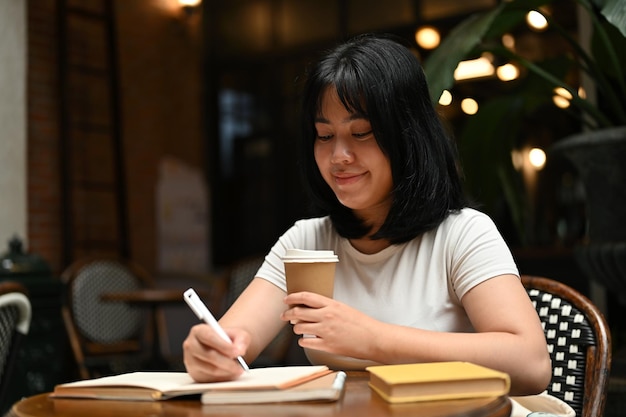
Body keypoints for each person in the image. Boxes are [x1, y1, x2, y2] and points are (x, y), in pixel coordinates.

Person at [183, 34, 551, 395]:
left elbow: (530, 365)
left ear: (408, 136)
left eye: (361, 133)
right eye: (324, 136)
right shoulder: (307, 241)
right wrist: (212, 352)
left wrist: (373, 338)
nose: (339, 156)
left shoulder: (463, 234)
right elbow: (234, 340)